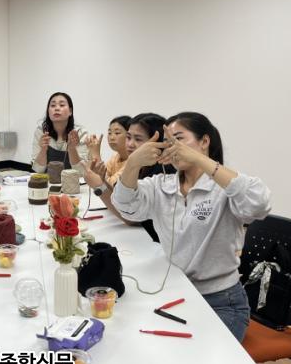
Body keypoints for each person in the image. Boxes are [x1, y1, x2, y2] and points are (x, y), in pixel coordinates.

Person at [112, 112, 271, 342]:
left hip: (221, 301)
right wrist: (133, 163)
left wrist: (199, 159)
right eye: (168, 142)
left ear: (204, 141)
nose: (172, 147)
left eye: (179, 139)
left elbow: (259, 203)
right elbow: (126, 205)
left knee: (202, 357)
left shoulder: (223, 187)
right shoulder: (162, 185)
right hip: (177, 292)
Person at [84, 113, 173, 240]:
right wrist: (102, 181)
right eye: (128, 137)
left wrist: (100, 186)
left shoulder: (162, 172)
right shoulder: (138, 164)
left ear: (157, 142)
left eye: (138, 139)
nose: (130, 144)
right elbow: (120, 197)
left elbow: (132, 218)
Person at [31, 92, 88, 173]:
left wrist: (72, 149)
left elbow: (81, 172)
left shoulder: (80, 133)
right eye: (53, 105)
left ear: (70, 111)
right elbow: (38, 170)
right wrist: (43, 150)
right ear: (48, 112)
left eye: (62, 105)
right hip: (48, 180)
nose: (56, 108)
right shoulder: (41, 132)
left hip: (72, 180)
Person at [85, 115, 131, 186]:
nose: (111, 137)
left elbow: (110, 186)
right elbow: (97, 177)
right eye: (109, 133)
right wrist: (92, 152)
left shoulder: (132, 162)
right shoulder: (116, 157)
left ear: (129, 135)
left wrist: (96, 153)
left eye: (117, 133)